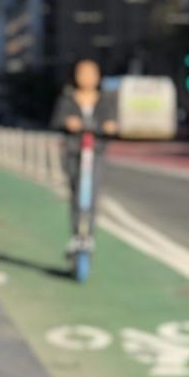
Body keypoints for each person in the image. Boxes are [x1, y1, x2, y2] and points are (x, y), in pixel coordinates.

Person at [50, 58, 117, 254]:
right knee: (76, 194)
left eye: (91, 73)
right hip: (73, 151)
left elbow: (112, 122)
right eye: (82, 73)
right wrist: (67, 123)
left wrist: (110, 126)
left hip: (95, 151)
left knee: (91, 194)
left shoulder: (105, 99)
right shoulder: (67, 98)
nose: (87, 77)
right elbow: (57, 121)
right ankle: (75, 235)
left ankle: (89, 237)